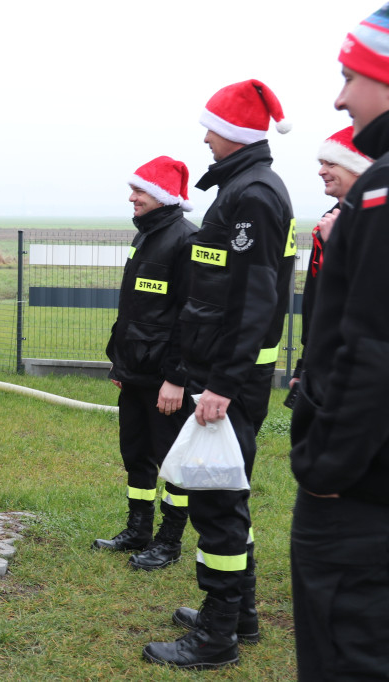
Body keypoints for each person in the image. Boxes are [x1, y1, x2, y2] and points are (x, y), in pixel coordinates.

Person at [142, 80, 296, 670]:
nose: (204, 138)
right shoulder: (243, 187)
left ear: (233, 133)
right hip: (225, 372)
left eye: (210, 128)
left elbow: (255, 300)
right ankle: (242, 614)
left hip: (231, 379)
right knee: (225, 495)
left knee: (215, 501)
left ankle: (217, 634)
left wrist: (223, 386)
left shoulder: (252, 194)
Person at [290, 5, 389, 678]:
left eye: (352, 75)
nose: (338, 96)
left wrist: (323, 470)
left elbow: (372, 349)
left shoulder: (381, 193)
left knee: (344, 646)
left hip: (360, 495)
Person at [94, 157, 198, 572]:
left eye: (140, 191)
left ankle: (168, 542)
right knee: (136, 454)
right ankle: (138, 530)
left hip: (165, 380)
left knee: (172, 460)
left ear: (163, 196)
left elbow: (192, 318)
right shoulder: (146, 238)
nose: (132, 197)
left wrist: (176, 379)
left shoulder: (187, 240)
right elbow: (137, 312)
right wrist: (121, 366)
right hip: (135, 374)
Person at [288, 127, 372, 389]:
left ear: (357, 167)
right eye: (321, 163)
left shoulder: (374, 220)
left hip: (359, 367)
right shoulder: (330, 219)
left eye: (331, 163)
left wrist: (338, 243)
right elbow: (317, 303)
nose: (321, 171)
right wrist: (304, 366)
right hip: (323, 360)